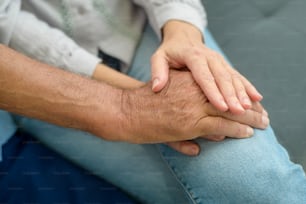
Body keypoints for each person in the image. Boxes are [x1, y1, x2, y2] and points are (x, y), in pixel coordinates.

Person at [0, 0, 306, 203]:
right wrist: (134, 104)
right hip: (42, 75)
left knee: (261, 189)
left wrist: (181, 31)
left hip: (152, 25)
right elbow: (7, 22)